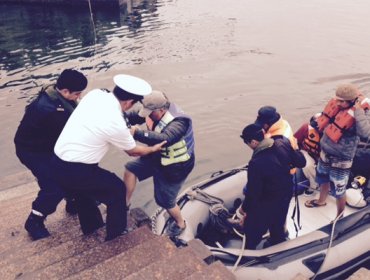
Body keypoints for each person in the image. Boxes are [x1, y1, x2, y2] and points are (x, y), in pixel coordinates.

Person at [51, 74, 166, 241]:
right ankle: (116, 234)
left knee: (84, 193)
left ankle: (92, 228)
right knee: (117, 190)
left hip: (57, 160)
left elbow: (112, 119)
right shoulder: (115, 122)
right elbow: (133, 151)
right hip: (76, 168)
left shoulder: (96, 94)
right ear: (128, 103)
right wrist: (153, 149)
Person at [14, 69, 88, 240]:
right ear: (64, 91)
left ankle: (72, 201)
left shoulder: (56, 96)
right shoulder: (50, 110)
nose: (79, 96)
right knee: (54, 187)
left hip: (45, 145)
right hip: (32, 151)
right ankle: (34, 220)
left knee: (69, 170)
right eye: (77, 94)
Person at [124, 90, 195, 237]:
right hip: (156, 157)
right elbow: (133, 116)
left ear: (161, 110)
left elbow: (165, 138)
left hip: (175, 166)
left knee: (165, 201)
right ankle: (124, 205)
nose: (147, 115)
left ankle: (180, 223)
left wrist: (137, 133)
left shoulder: (180, 122)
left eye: (150, 112)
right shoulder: (152, 110)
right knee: (130, 169)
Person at [236, 124, 305, 249]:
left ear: (253, 142)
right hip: (286, 193)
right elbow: (301, 162)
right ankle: (276, 242)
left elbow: (253, 192)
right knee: (278, 224)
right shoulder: (281, 143)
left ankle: (248, 253)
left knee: (253, 231)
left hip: (267, 201)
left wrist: (244, 210)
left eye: (248, 143)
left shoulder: (256, 163)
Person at [305, 84, 364, 219]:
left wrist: (359, 112)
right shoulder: (337, 107)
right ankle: (321, 201)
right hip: (325, 151)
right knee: (322, 178)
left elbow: (365, 132)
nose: (338, 103)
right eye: (337, 99)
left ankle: (339, 215)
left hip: (342, 158)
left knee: (339, 188)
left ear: (351, 100)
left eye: (342, 101)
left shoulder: (360, 113)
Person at [294, 113, 322, 195]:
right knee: (308, 165)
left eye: (321, 118)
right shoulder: (306, 127)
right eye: (316, 119)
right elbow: (295, 141)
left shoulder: (330, 130)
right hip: (307, 152)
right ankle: (314, 186)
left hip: (322, 155)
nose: (318, 120)